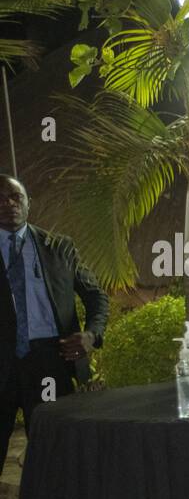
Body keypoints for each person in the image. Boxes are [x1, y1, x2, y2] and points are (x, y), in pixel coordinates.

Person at [0, 174, 109, 474]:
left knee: (58, 459)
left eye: (15, 197)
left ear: (28, 203)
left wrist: (91, 335)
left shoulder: (59, 247)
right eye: (0, 198)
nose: (8, 203)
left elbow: (96, 297)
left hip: (51, 362)